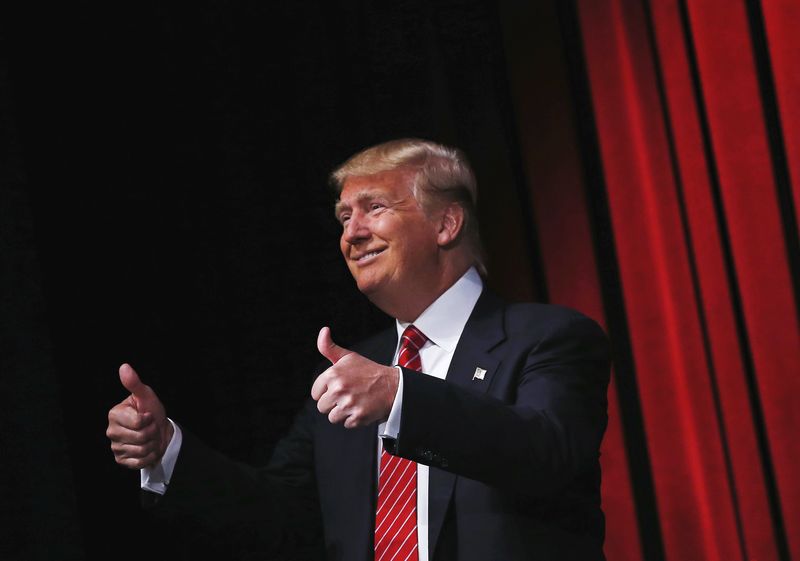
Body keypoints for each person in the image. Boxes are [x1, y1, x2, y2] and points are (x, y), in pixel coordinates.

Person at [106, 138, 611, 561]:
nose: (351, 233)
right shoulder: (352, 374)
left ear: (446, 224)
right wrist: (167, 452)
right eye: (343, 217)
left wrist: (400, 397)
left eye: (375, 207)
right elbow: (282, 515)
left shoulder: (547, 338)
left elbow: (547, 452)